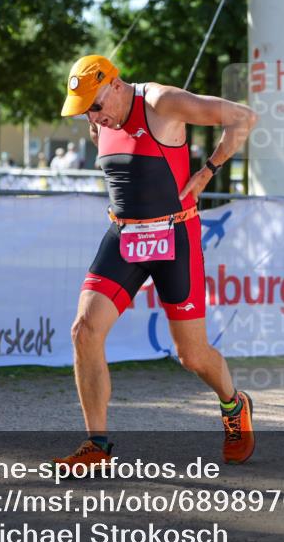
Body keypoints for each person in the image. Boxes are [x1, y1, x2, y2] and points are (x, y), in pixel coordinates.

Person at [53, 55, 258, 469]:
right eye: (84, 111)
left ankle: (235, 405)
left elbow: (243, 117)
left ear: (113, 84)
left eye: (95, 106)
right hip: (125, 236)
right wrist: (99, 120)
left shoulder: (161, 102)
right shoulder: (99, 120)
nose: (92, 117)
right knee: (84, 330)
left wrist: (207, 173)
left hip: (175, 235)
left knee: (193, 356)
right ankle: (97, 445)